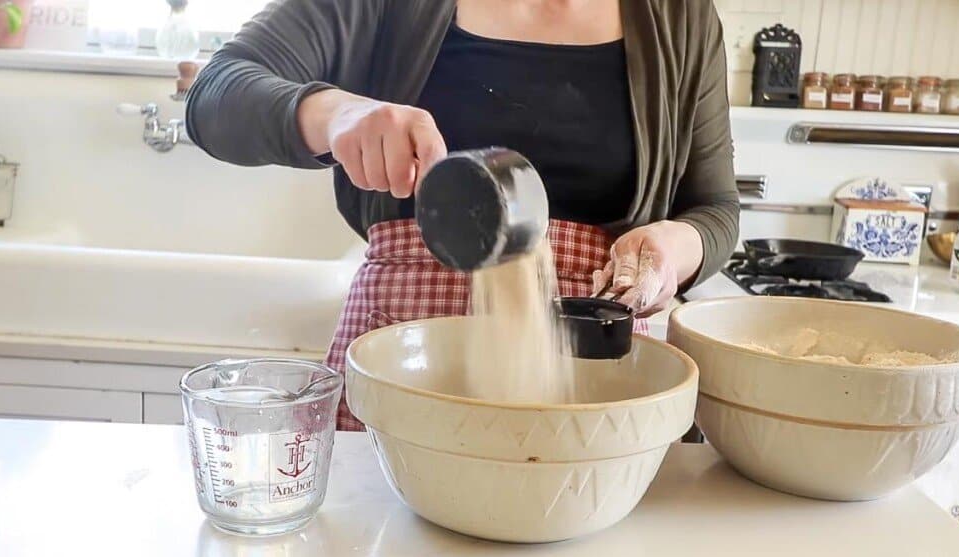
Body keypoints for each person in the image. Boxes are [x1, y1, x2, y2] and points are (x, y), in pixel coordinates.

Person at [186, 0, 740, 431]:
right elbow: (216, 93)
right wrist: (338, 113)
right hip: (400, 357)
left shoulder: (680, 17)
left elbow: (715, 210)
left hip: (599, 372)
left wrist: (673, 248)